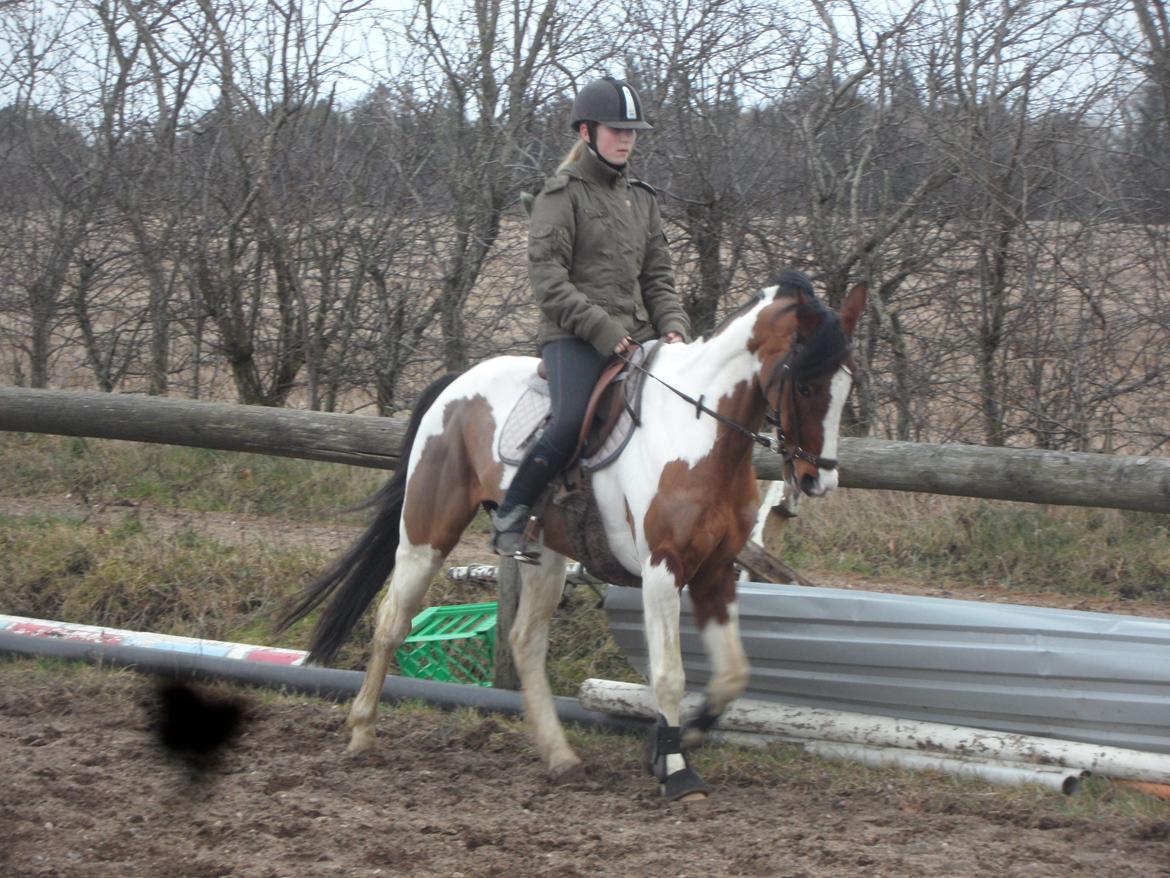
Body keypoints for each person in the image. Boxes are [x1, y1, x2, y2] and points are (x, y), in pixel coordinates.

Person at [491, 76, 693, 560]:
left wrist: (674, 327)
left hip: (637, 334)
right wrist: (605, 331)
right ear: (586, 131)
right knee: (569, 422)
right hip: (574, 337)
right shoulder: (560, 196)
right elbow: (550, 285)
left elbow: (658, 279)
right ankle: (512, 515)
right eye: (615, 129)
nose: (626, 139)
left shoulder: (642, 199)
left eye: (632, 131)